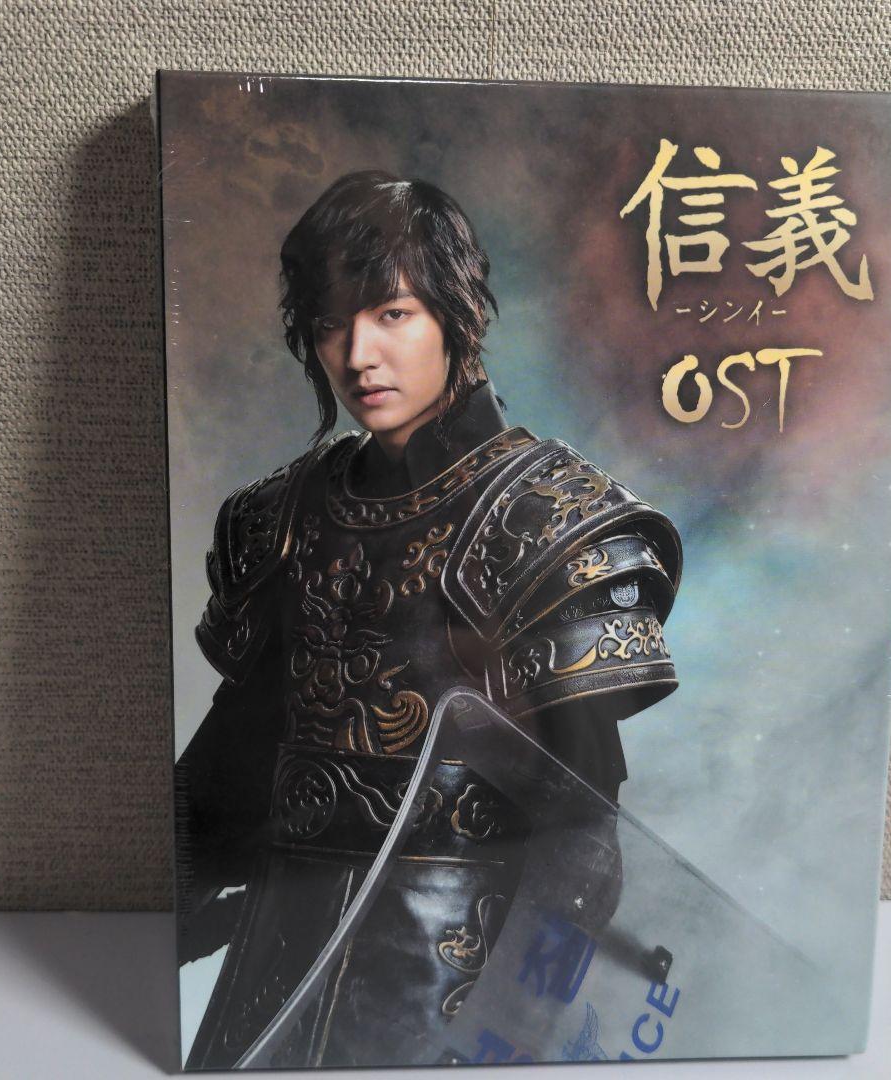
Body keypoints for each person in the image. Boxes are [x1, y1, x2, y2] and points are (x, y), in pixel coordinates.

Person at [175, 171, 681, 1069]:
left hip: (447, 990)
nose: (358, 355)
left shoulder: (546, 522)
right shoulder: (282, 518)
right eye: (331, 323)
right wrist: (150, 921)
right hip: (271, 988)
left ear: (456, 314)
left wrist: (500, 1038)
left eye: (392, 314)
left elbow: (581, 840)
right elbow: (220, 780)